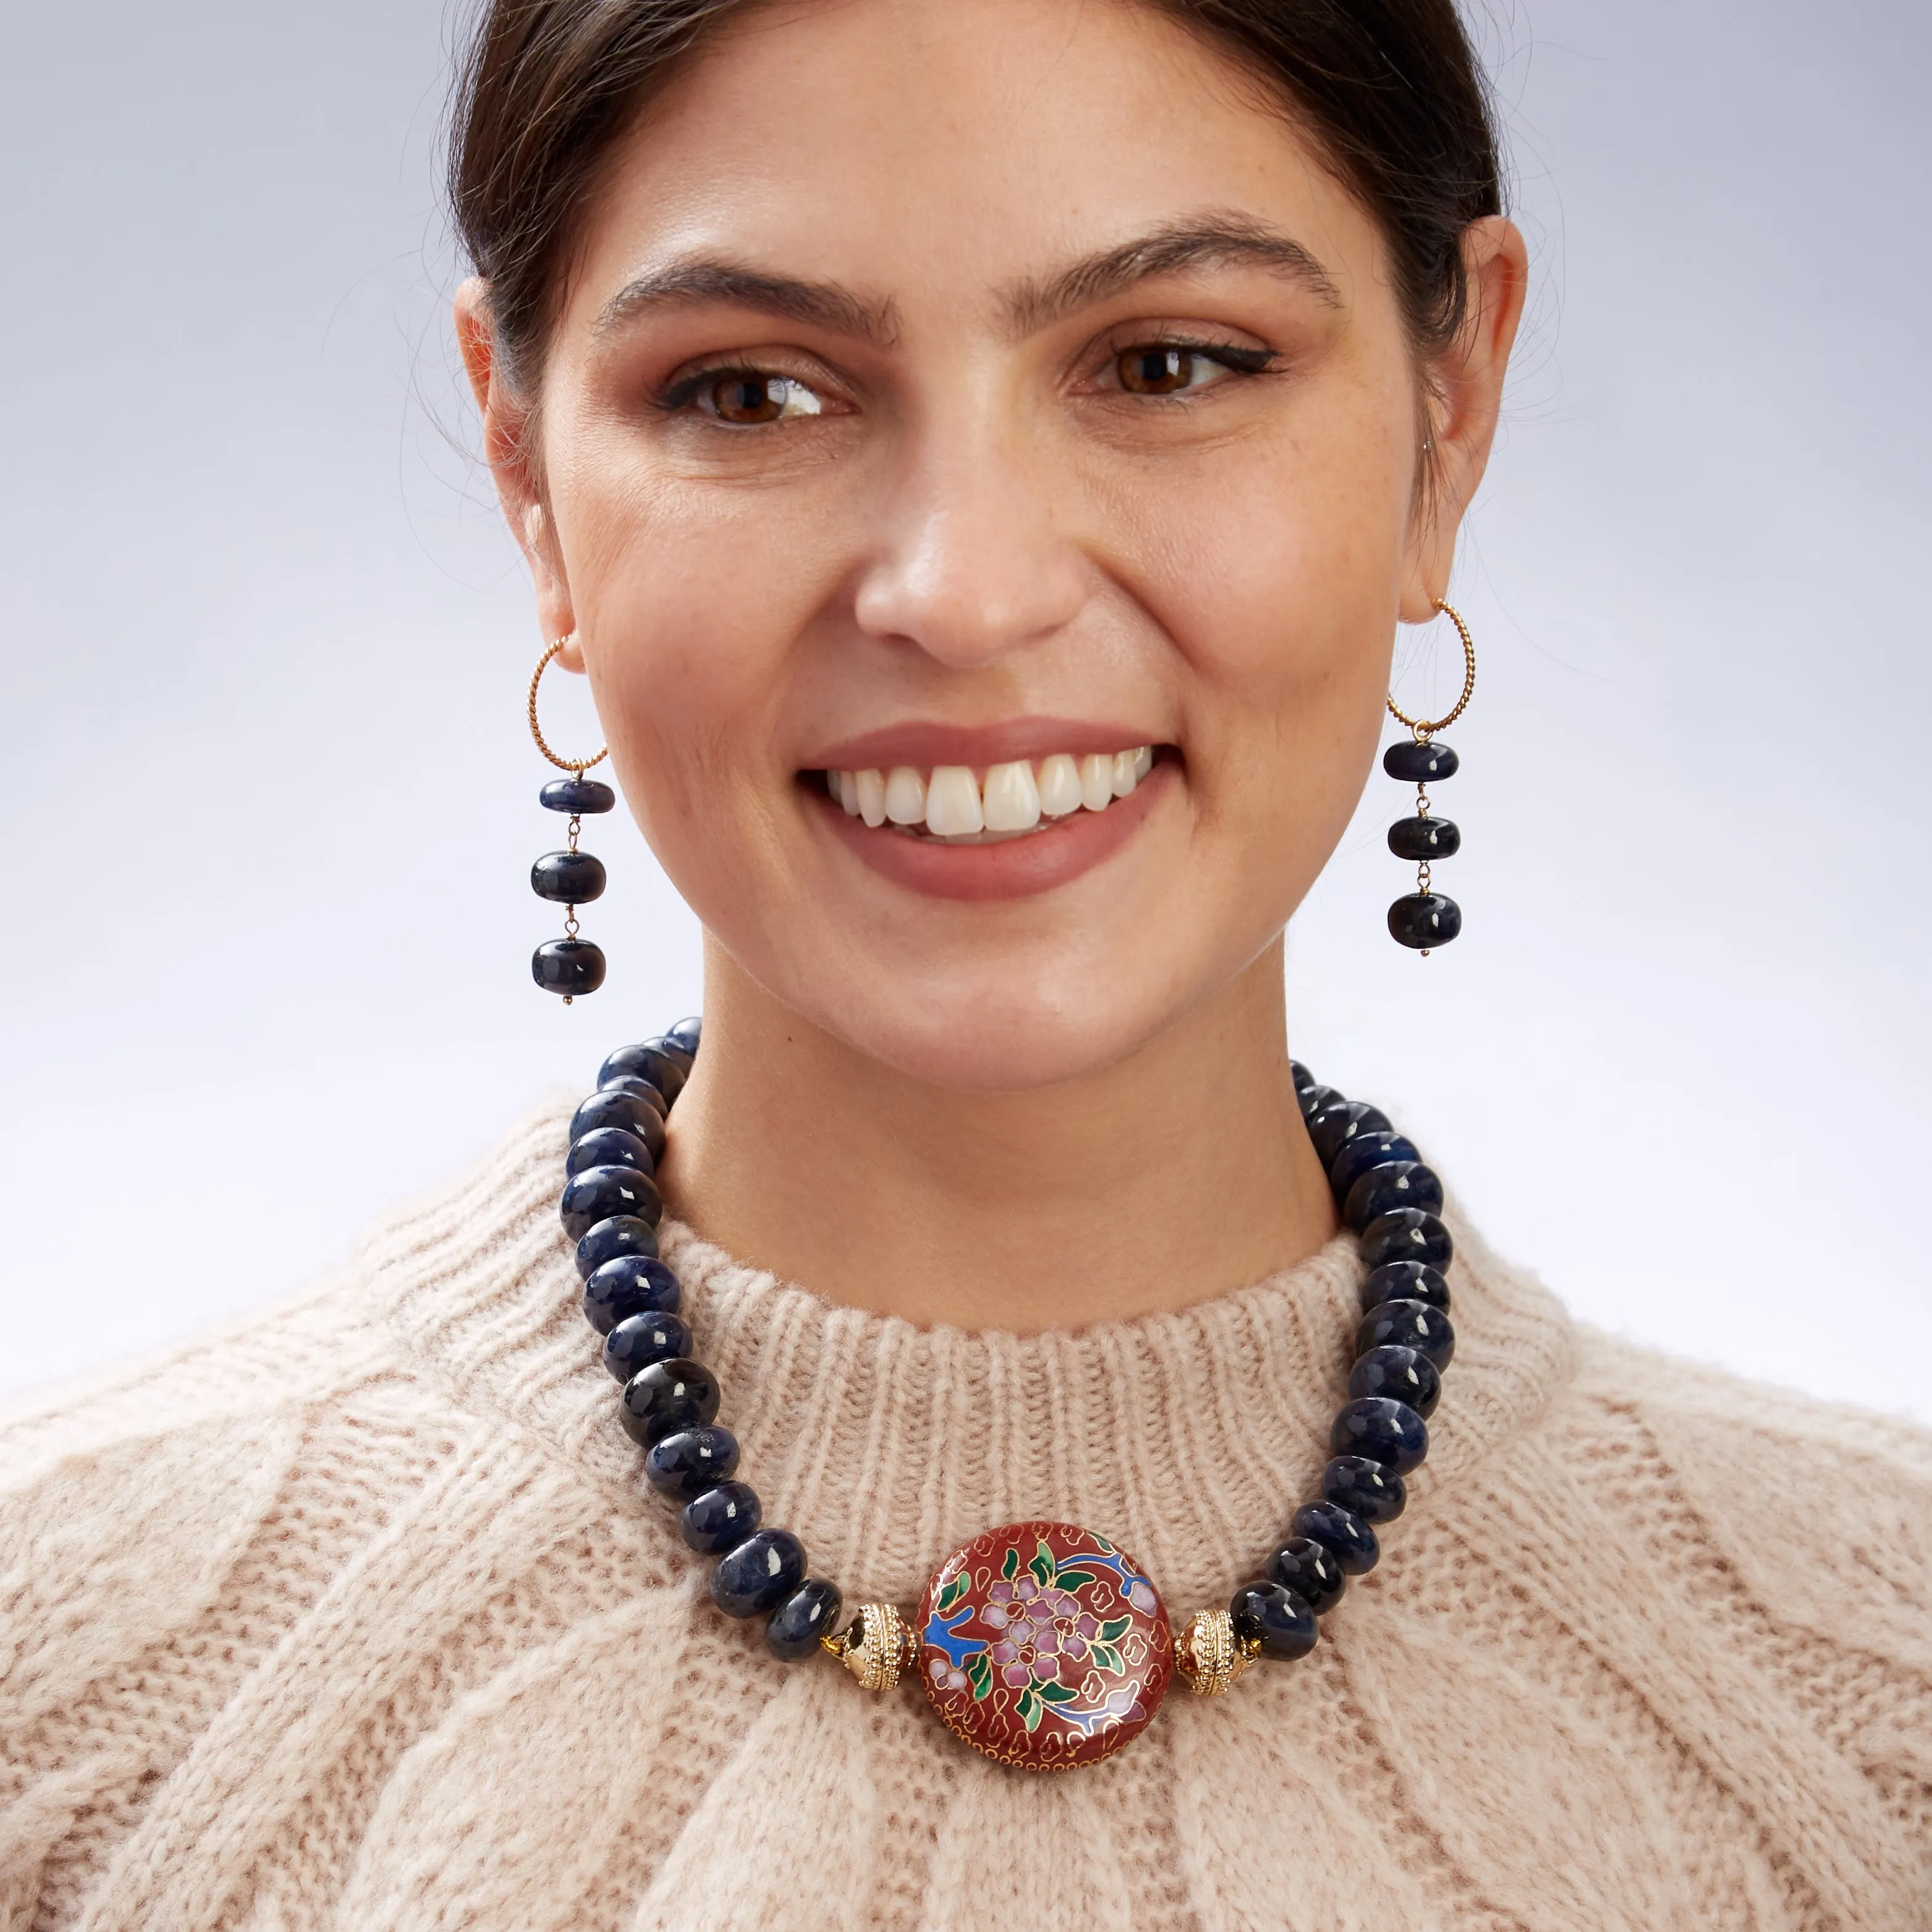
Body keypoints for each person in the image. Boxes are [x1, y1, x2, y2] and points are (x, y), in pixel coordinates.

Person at [3, 1, 1926, 1925]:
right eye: (751, 391)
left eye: (1168, 363)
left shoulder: (1884, 1718)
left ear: (1449, 412)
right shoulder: (58, 1699)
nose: (966, 587)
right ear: (528, 479)